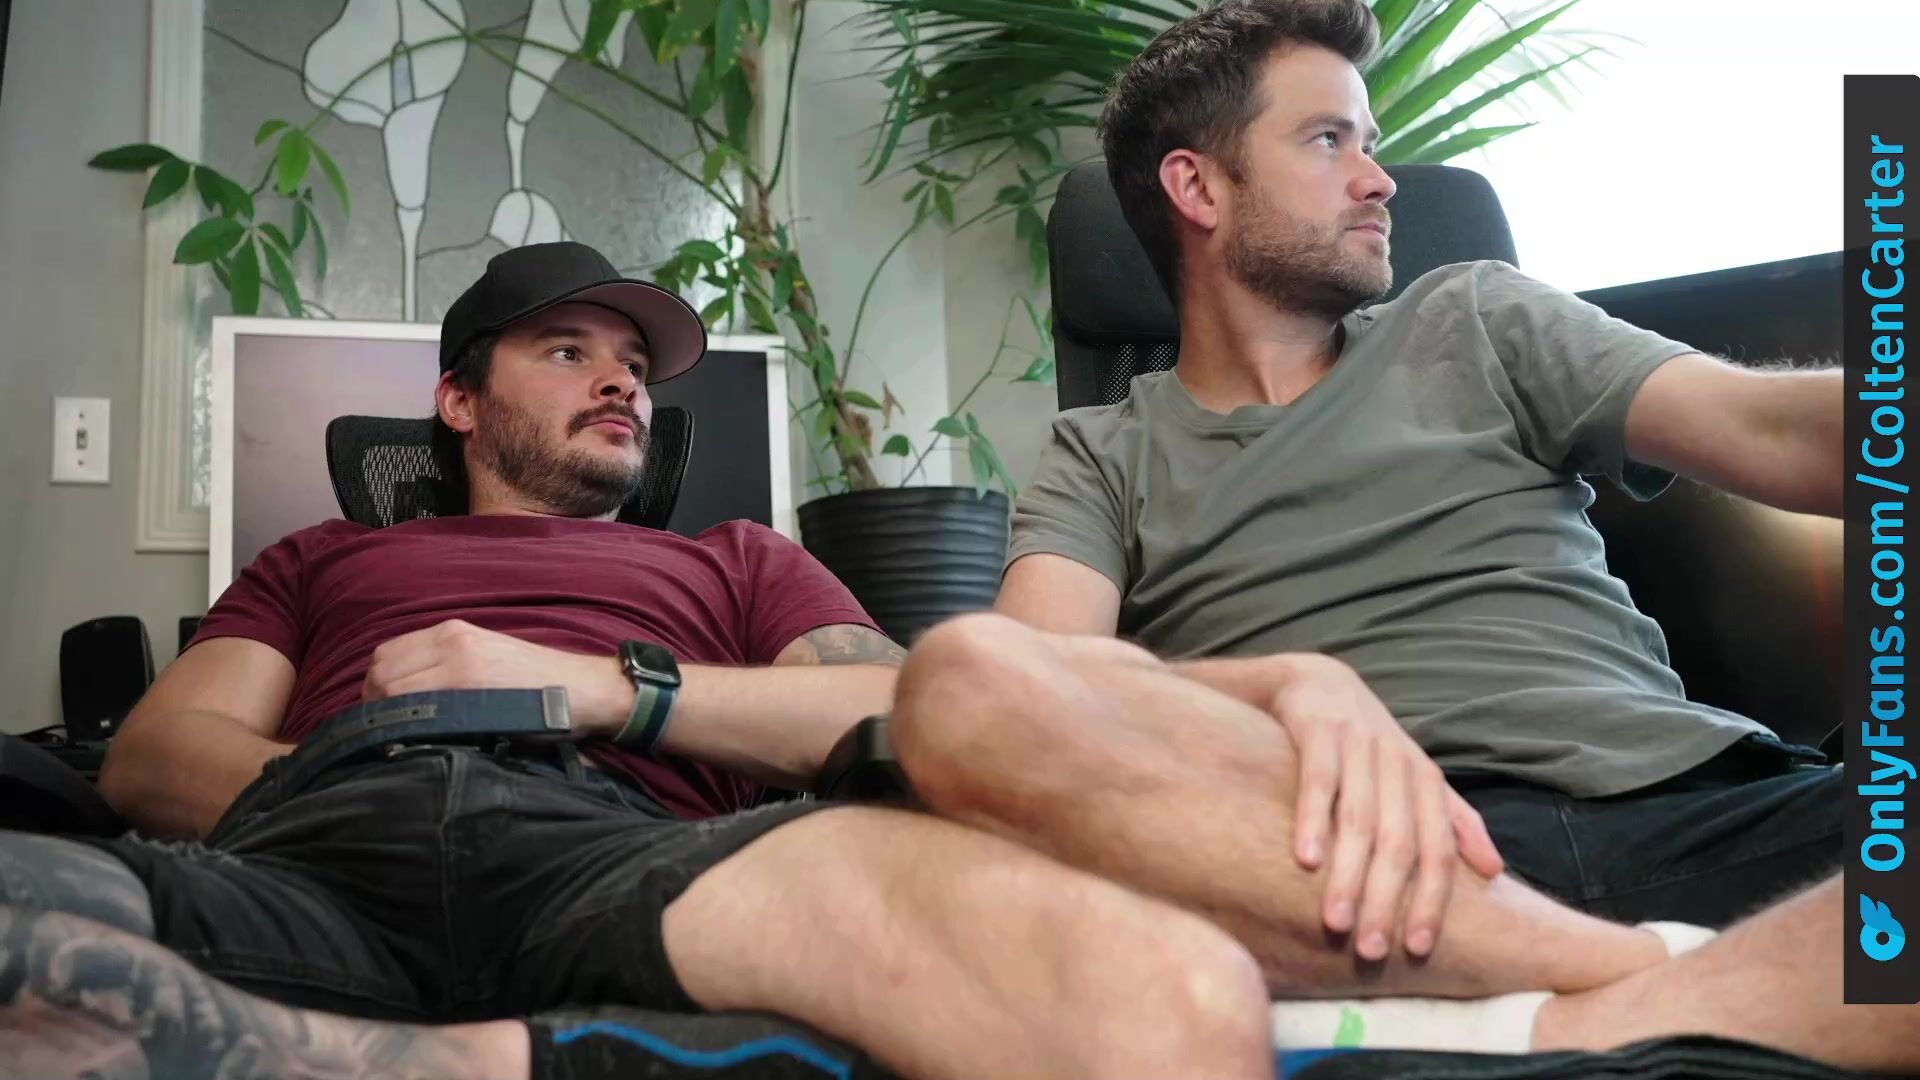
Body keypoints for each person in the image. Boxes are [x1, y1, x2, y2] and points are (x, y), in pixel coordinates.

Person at [0, 244, 1900, 1072]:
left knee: (1099, 989)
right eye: (568, 350)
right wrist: (396, 753)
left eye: (636, 367)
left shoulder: (737, 558)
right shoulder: (327, 557)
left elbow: (904, 706)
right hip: (316, 836)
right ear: (455, 397)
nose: (619, 384)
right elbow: (163, 753)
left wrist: (593, 700)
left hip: (626, 849)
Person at [995, 0, 1844, 936]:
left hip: (1708, 809)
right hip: (1375, 867)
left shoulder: (1479, 319)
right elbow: (1028, 695)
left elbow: (1772, 428)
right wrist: (1273, 697)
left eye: (1370, 143)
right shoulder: (1102, 453)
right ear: (1197, 188)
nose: (1380, 180)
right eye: (1329, 140)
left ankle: (1640, 988)